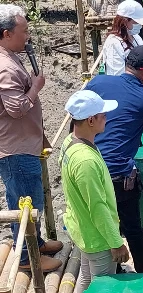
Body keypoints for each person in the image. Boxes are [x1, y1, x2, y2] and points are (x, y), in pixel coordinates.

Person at [86, 46, 143, 273]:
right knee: (132, 227)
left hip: (88, 166)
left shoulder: (98, 83)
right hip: (117, 174)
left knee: (99, 222)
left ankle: (111, 269)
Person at [0, 4, 63, 272]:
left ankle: (34, 241)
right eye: (24, 31)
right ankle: (26, 257)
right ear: (6, 34)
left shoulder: (10, 57)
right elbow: (16, 109)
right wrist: (36, 87)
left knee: (29, 197)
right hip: (16, 148)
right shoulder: (4, 66)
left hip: (24, 142)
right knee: (26, 201)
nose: (27, 36)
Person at [59, 90, 130, 293]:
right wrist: (116, 242)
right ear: (91, 120)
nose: (106, 119)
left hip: (82, 229)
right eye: (103, 115)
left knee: (87, 278)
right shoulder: (86, 162)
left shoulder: (70, 143)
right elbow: (97, 207)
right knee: (103, 290)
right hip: (98, 237)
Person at [103, 0, 143, 76]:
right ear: (125, 21)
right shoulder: (113, 43)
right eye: (136, 22)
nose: (140, 25)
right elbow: (116, 75)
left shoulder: (137, 38)